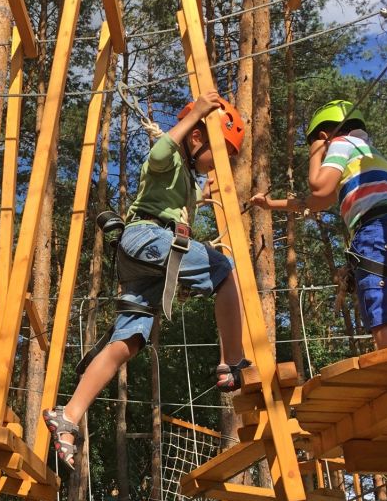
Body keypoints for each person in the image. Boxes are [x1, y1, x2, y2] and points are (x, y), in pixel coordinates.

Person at [42, 90, 251, 469]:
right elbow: (158, 152)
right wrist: (197, 113)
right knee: (225, 270)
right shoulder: (169, 155)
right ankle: (231, 361)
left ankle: (68, 417)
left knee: (129, 342)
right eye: (219, 154)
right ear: (197, 138)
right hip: (147, 238)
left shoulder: (190, 178)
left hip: (149, 261)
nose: (219, 165)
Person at [250, 99, 387, 350]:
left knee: (383, 321)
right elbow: (317, 202)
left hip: (378, 232)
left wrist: (317, 151)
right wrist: (271, 204)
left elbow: (319, 185)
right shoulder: (368, 152)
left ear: (324, 135)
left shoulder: (340, 143)